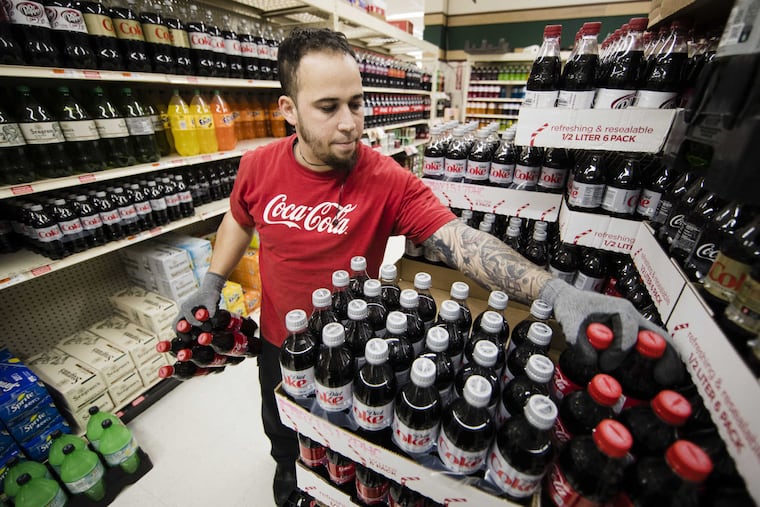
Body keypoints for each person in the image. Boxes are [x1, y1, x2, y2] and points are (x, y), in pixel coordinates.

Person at [176, 27, 683, 506]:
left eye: (356, 102)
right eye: (328, 107)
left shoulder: (387, 179)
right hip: (279, 337)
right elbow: (238, 221)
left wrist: (559, 293)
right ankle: (288, 476)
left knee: (347, 436)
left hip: (358, 347)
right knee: (281, 424)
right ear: (288, 109)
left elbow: (462, 241)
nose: (351, 122)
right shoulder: (257, 166)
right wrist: (213, 281)